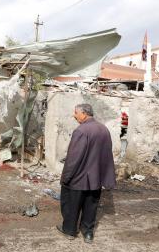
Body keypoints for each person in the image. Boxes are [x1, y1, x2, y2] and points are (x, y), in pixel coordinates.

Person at [57, 103, 116, 243]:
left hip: (79, 178)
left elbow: (73, 158)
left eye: (76, 112)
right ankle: (88, 233)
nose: (74, 115)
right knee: (91, 206)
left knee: (71, 204)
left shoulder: (81, 130)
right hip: (96, 178)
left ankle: (70, 231)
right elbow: (106, 155)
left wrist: (66, 177)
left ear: (84, 114)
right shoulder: (104, 129)